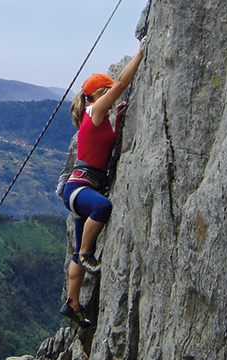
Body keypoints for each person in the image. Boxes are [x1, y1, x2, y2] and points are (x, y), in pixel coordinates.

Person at [58, 37, 146, 328]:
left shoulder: (101, 118)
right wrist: (141, 53)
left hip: (82, 188)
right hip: (80, 189)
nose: (113, 95)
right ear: (99, 94)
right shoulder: (94, 111)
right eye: (107, 93)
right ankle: (86, 253)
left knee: (79, 253)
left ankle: (72, 304)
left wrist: (119, 121)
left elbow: (107, 146)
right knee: (103, 208)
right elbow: (121, 84)